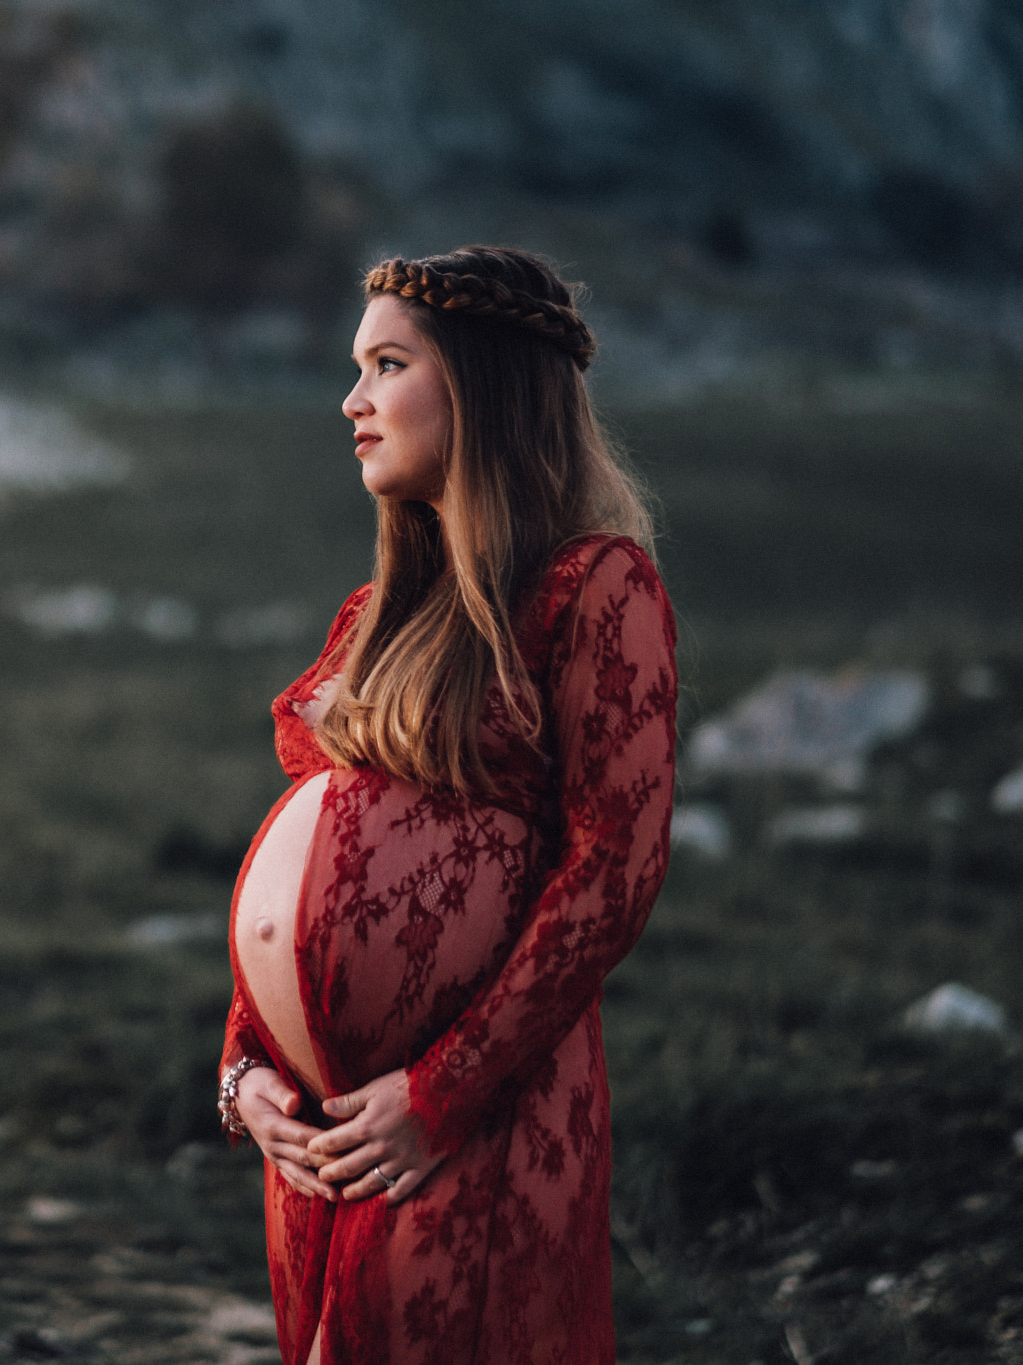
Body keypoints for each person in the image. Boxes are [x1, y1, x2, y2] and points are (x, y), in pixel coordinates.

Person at [216, 246, 677, 1365]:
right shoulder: (374, 614)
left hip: (474, 1120)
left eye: (385, 365)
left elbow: (611, 870)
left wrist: (440, 1091)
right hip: (328, 1133)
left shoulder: (593, 587)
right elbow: (309, 864)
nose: (352, 402)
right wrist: (247, 1074)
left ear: (480, 388)